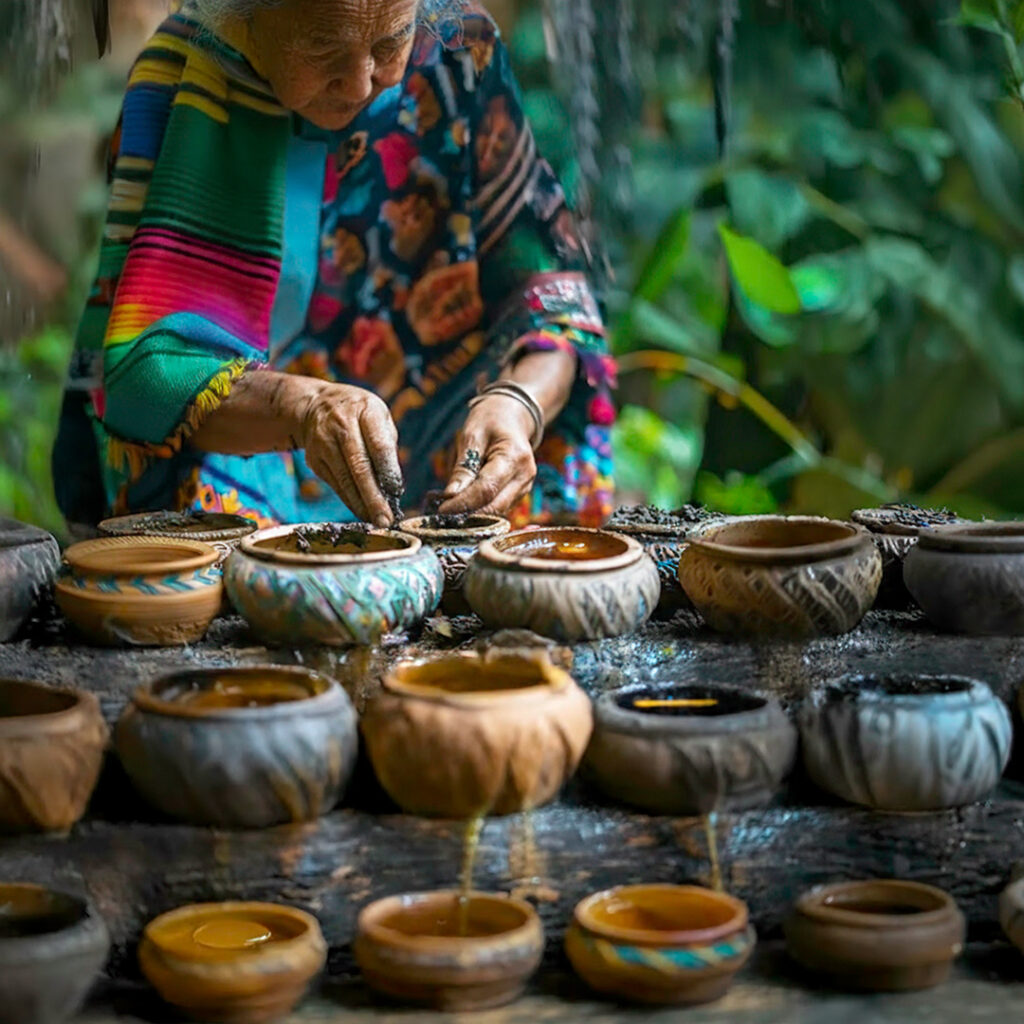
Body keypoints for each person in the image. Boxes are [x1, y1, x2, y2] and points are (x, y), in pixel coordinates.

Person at [53, 0, 615, 533]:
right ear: (243, 19)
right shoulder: (183, 74)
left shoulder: (456, 45)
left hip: (438, 430)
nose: (364, 82)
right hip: (255, 442)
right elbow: (144, 379)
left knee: (531, 478)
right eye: (324, 49)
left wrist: (518, 405)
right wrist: (306, 406)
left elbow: (550, 296)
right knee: (215, 544)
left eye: (390, 39)